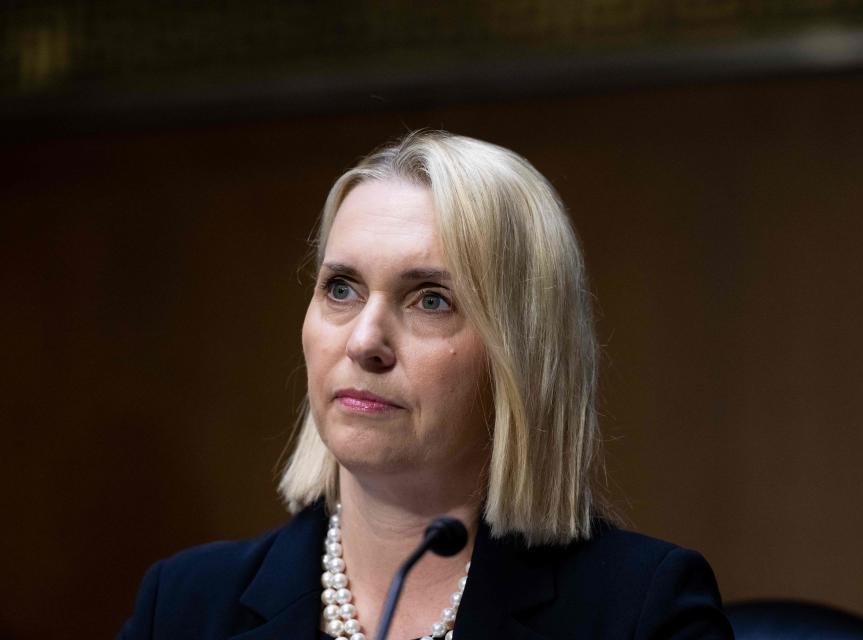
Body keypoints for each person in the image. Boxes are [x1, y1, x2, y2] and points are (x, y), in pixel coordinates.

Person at [118, 130, 733, 640]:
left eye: (430, 300)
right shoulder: (183, 607)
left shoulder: (642, 610)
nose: (364, 341)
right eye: (341, 288)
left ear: (522, 352)